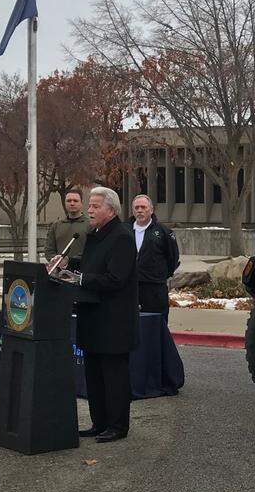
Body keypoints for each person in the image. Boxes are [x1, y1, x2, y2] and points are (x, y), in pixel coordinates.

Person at [74, 187, 138, 443]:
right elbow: (92, 265)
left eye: (95, 206)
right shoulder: (95, 235)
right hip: (92, 317)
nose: (89, 209)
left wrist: (81, 279)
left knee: (113, 377)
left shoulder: (122, 237)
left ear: (111, 210)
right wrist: (68, 265)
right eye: (89, 205)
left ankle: (117, 425)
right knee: (93, 375)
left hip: (113, 320)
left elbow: (115, 278)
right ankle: (99, 422)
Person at [131, 195, 180, 318]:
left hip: (154, 288)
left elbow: (172, 257)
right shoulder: (125, 230)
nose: (140, 210)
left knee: (155, 323)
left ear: (151, 210)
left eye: (143, 207)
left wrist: (161, 274)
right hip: (131, 287)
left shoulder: (163, 232)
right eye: (136, 207)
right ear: (133, 210)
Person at [44, 187, 88, 271]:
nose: (72, 203)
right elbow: (49, 250)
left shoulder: (90, 225)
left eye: (75, 201)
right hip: (59, 273)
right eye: (69, 201)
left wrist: (69, 261)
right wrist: (57, 261)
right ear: (64, 203)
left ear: (81, 203)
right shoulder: (56, 225)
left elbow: (91, 251)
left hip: (81, 272)